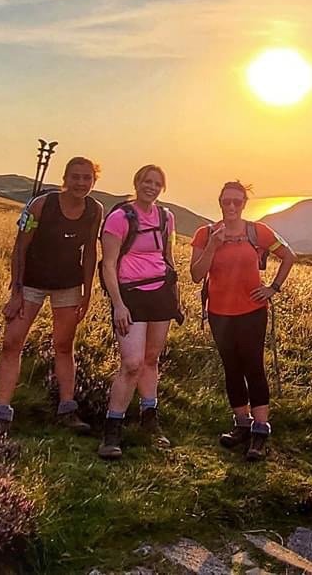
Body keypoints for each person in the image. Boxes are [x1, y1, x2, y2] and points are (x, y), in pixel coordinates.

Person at [0, 156, 105, 442]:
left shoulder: (94, 210)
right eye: (75, 177)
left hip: (68, 286)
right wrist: (16, 292)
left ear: (94, 181)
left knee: (64, 346)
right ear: (65, 178)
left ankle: (67, 409)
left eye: (87, 178)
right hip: (32, 284)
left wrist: (87, 292)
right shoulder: (42, 204)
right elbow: (19, 247)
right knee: (12, 342)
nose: (81, 183)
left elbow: (90, 254)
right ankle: (0, 413)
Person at [189, 181, 296, 461]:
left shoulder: (257, 231)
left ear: (244, 204)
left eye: (237, 201)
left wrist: (273, 288)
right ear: (220, 202)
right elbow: (196, 275)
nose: (232, 206)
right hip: (219, 313)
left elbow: (289, 256)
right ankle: (241, 425)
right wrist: (212, 245)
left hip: (252, 311)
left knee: (253, 367)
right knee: (232, 368)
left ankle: (260, 430)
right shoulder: (205, 234)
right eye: (227, 201)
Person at [96, 164, 181, 460]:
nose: (152, 187)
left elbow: (167, 258)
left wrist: (175, 297)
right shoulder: (119, 218)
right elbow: (108, 265)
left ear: (163, 187)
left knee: (151, 359)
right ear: (136, 182)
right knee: (131, 363)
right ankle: (112, 427)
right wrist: (118, 304)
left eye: (158, 183)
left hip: (160, 295)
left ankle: (149, 417)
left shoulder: (166, 217)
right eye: (147, 181)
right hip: (129, 296)